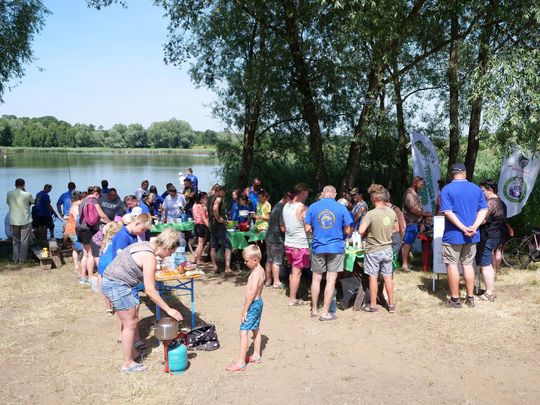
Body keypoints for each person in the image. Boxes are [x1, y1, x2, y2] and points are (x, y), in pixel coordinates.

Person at [101, 228, 183, 373]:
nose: (171, 255)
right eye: (171, 251)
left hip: (113, 281)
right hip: (116, 284)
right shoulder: (149, 257)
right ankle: (128, 364)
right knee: (130, 323)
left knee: (130, 321)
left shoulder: (146, 245)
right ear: (166, 247)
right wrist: (169, 309)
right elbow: (150, 290)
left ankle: (132, 354)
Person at [440, 163, 488, 308]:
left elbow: (448, 212)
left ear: (452, 174)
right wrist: (474, 227)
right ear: (465, 173)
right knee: (468, 264)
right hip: (472, 235)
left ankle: (455, 299)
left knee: (452, 264)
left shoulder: (446, 189)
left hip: (453, 235)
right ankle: (470, 297)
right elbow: (483, 210)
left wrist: (462, 228)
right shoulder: (476, 189)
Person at [305, 185, 352, 320]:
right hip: (336, 247)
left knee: (316, 278)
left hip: (318, 246)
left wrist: (317, 233)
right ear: (335, 194)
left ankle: (314, 309)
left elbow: (307, 228)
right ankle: (325, 312)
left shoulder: (313, 207)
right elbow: (347, 230)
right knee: (331, 280)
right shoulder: (341, 208)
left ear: (323, 193)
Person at [225, 244, 265, 372]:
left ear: (255, 260)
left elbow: (252, 294)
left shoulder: (257, 273)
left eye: (247, 261)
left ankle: (241, 362)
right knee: (255, 329)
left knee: (243, 331)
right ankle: (256, 355)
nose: (245, 263)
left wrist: (244, 310)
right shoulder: (260, 270)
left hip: (253, 304)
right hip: (258, 303)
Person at [359, 184, 398, 313]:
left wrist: (370, 232)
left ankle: (373, 306)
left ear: (373, 198)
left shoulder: (370, 214)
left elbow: (361, 231)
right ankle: (391, 305)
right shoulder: (392, 212)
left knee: (373, 277)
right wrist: (385, 232)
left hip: (373, 250)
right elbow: (397, 229)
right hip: (387, 248)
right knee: (388, 277)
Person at [476, 180, 507, 302]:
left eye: (482, 190)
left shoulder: (490, 203)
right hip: (496, 236)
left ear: (490, 190)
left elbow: (482, 220)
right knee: (487, 264)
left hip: (488, 236)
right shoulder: (501, 202)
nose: (481, 193)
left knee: (485, 265)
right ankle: (490, 290)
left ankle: (489, 292)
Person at [281, 182, 311, 306]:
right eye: (307, 193)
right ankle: (293, 299)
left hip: (289, 243)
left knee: (293, 271)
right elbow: (308, 228)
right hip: (300, 245)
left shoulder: (286, 206)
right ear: (302, 193)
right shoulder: (302, 208)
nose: (307, 195)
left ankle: (292, 294)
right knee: (297, 272)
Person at [77, 186, 111, 285]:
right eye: (99, 195)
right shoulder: (94, 200)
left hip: (81, 229)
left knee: (85, 254)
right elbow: (102, 215)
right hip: (89, 230)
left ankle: (83, 276)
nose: (99, 198)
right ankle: (90, 277)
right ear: (96, 193)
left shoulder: (83, 200)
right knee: (91, 255)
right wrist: (111, 223)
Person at [401, 176, 432, 272]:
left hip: (415, 223)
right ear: (414, 183)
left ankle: (407, 263)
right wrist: (424, 214)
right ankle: (404, 265)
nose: (422, 185)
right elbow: (412, 209)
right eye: (420, 183)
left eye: (423, 184)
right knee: (407, 243)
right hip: (410, 223)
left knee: (409, 243)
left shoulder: (414, 193)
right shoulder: (409, 194)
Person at [264, 192, 292, 287]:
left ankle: (268, 280)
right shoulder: (282, 209)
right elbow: (283, 228)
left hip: (269, 236)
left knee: (269, 259)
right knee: (276, 260)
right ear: (287, 198)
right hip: (277, 238)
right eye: (290, 200)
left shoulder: (276, 206)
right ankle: (276, 282)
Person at [6, 178, 34, 262]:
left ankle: (15, 258)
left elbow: (8, 203)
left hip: (14, 220)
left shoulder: (9, 193)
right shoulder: (27, 194)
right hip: (25, 220)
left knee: (16, 241)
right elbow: (33, 202)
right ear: (23, 185)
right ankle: (22, 259)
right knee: (24, 241)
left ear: (15, 185)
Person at [208, 185, 233, 273]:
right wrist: (219, 219)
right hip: (218, 225)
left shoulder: (210, 198)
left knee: (213, 246)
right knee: (228, 246)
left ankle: (214, 266)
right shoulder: (218, 198)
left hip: (211, 225)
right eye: (224, 191)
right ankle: (227, 268)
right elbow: (215, 208)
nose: (224, 193)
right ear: (220, 191)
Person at [65, 191, 84, 273]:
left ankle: (76, 266)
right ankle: (81, 267)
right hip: (73, 230)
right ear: (81, 198)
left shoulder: (73, 205)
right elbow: (77, 220)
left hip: (70, 229)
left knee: (75, 248)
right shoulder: (76, 207)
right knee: (80, 248)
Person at [382, 189, 406, 255]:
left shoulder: (395, 209)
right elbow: (403, 226)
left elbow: (402, 226)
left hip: (391, 238)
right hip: (392, 237)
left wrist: (401, 240)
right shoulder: (395, 209)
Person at [192, 192, 209, 264]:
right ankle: (198, 260)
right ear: (201, 199)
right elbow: (204, 218)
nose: (207, 200)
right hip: (201, 225)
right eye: (206, 198)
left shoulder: (195, 205)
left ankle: (194, 258)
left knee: (200, 243)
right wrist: (209, 227)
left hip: (197, 225)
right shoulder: (201, 206)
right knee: (200, 244)